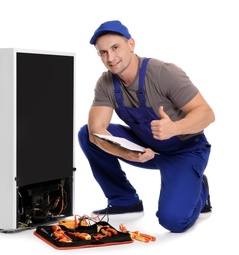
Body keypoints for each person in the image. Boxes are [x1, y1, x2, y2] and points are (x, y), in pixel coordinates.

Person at [78, 20, 215, 233]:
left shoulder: (163, 73)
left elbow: (207, 113)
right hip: (148, 150)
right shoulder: (105, 83)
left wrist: (175, 128)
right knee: (87, 133)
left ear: (131, 44)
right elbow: (97, 133)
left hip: (186, 151)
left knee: (173, 221)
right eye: (103, 52)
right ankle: (124, 200)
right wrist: (126, 152)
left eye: (115, 48)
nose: (110, 58)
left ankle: (200, 191)